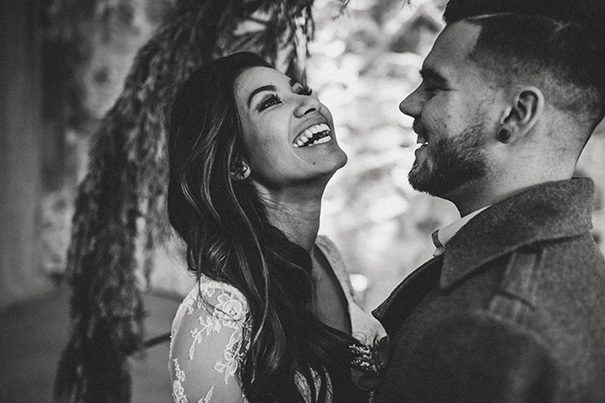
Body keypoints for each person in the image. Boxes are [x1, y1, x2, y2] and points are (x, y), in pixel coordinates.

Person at [373, 0, 605, 401]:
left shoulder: (494, 324)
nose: (408, 104)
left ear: (516, 115)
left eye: (435, 86)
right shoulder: (566, 269)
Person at [166, 52, 386, 403]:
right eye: (269, 102)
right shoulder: (218, 314)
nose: (309, 103)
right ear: (237, 163)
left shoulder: (326, 255)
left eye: (302, 90)